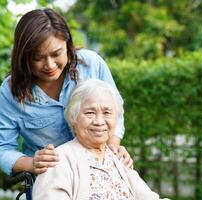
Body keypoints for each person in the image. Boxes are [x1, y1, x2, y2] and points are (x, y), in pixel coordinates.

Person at [0, 8, 132, 179]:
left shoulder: (91, 65)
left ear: (68, 45)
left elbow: (115, 113)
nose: (49, 65)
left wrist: (113, 150)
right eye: (37, 58)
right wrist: (32, 163)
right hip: (50, 181)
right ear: (24, 57)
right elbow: (1, 149)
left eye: (56, 54)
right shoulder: (11, 91)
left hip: (100, 176)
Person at [32, 79, 168, 200]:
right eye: (90, 113)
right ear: (74, 118)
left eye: (107, 113)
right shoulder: (58, 161)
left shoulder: (118, 159)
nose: (99, 121)